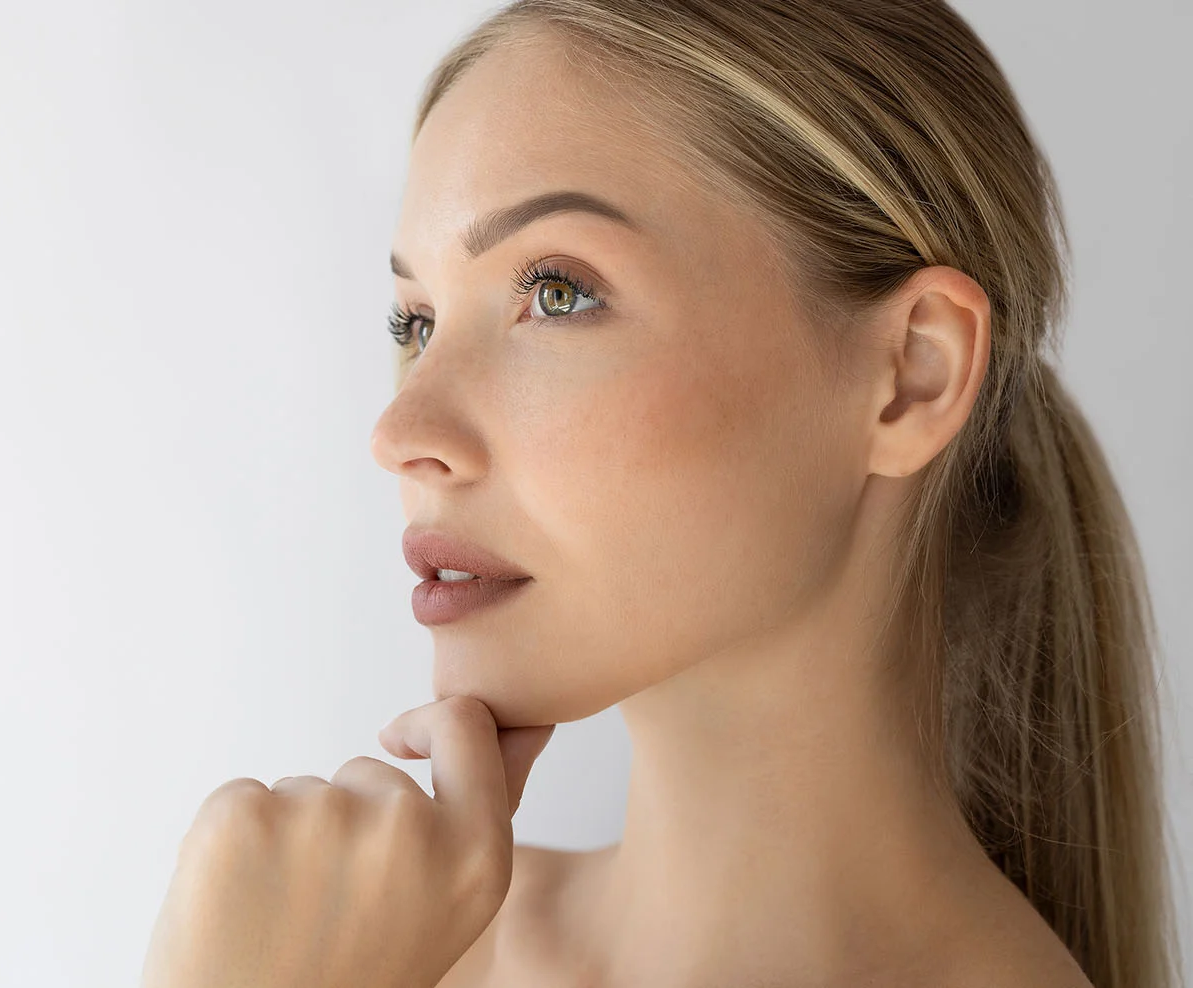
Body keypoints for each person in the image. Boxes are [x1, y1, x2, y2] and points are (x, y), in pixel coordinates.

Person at [140, 2, 1182, 986]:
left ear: (908, 373)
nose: (401, 433)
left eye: (556, 293)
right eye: (412, 323)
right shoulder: (390, 948)